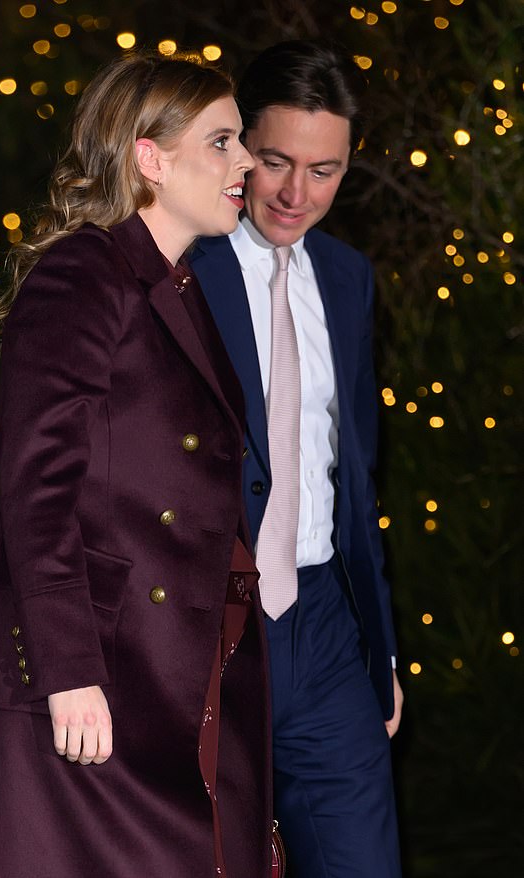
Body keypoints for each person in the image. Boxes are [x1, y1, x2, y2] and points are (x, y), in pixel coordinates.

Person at [0, 53, 274, 878]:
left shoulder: (175, 285)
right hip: (90, 683)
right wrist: (70, 669)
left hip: (167, 667)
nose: (248, 163)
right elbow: (36, 485)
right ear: (149, 158)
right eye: (222, 141)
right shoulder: (83, 273)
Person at [191, 40, 403, 877]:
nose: (294, 193)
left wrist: (379, 649)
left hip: (324, 627)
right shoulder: (179, 269)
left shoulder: (348, 279)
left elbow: (354, 479)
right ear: (240, 146)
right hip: (207, 621)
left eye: (325, 170)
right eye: (275, 161)